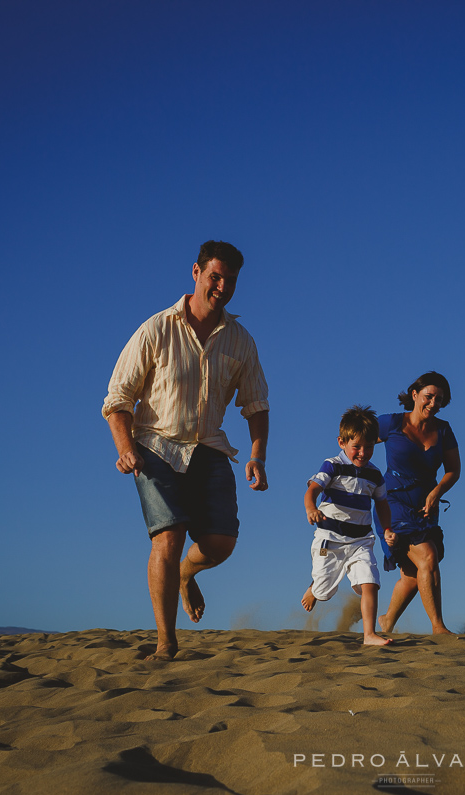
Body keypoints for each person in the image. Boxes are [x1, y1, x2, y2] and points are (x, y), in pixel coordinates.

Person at [102, 240, 270, 661]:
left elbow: (257, 404)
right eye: (215, 277)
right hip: (154, 446)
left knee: (220, 544)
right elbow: (117, 399)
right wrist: (125, 448)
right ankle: (166, 642)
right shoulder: (156, 328)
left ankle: (184, 574)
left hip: (209, 448)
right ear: (196, 272)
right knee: (169, 536)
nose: (222, 287)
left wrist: (257, 454)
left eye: (230, 281)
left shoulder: (241, 341)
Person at [301, 406, 395, 646]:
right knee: (323, 591)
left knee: (370, 583)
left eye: (370, 446)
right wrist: (311, 508)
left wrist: (386, 529)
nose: (363, 453)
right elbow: (312, 489)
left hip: (361, 540)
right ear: (342, 442)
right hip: (330, 539)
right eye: (357, 447)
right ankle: (314, 588)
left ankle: (369, 635)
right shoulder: (332, 466)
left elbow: (382, 503)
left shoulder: (374, 475)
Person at [376, 372, 461, 636]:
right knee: (428, 555)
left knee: (414, 575)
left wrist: (437, 491)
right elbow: (356, 440)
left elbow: (453, 470)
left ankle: (387, 621)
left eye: (439, 399)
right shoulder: (391, 423)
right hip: (392, 503)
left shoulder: (443, 430)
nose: (434, 403)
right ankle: (438, 627)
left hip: (425, 507)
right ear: (415, 394)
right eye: (429, 396)